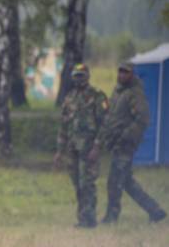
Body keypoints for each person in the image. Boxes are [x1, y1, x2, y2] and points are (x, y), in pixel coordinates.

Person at [99, 62, 166, 224]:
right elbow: (112, 115)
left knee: (114, 181)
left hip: (125, 145)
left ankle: (111, 217)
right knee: (127, 182)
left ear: (132, 74)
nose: (122, 75)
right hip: (115, 143)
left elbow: (143, 119)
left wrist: (126, 135)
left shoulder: (135, 93)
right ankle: (156, 211)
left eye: (125, 72)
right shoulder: (117, 91)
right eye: (120, 71)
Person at [53, 63, 108, 228]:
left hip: (89, 148)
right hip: (72, 148)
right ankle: (82, 218)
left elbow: (104, 124)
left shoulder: (98, 96)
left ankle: (89, 220)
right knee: (77, 183)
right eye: (76, 75)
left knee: (87, 184)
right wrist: (59, 151)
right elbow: (63, 125)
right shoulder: (69, 98)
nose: (78, 79)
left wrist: (97, 146)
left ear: (88, 76)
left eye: (81, 75)